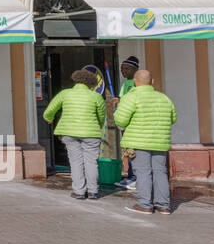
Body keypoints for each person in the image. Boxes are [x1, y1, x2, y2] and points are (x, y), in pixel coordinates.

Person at [114, 69, 178, 215]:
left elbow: (121, 120)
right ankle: (163, 206)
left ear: (135, 82)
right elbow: (173, 118)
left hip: (138, 142)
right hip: (160, 142)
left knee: (143, 173)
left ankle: (145, 204)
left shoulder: (131, 97)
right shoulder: (164, 98)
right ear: (152, 82)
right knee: (160, 172)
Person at [42, 68, 106, 200]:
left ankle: (79, 191)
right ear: (91, 83)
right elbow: (101, 116)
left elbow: (49, 111)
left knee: (75, 161)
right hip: (91, 133)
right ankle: (93, 191)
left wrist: (49, 119)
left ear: (75, 80)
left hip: (69, 132)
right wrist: (97, 127)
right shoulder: (96, 96)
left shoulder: (65, 94)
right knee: (91, 162)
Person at [112, 56, 140, 190]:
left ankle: (135, 177)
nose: (123, 71)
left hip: (134, 124)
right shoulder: (126, 84)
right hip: (126, 123)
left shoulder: (137, 83)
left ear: (135, 69)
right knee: (128, 152)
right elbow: (124, 100)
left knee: (134, 151)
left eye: (127, 69)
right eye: (122, 69)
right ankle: (130, 177)